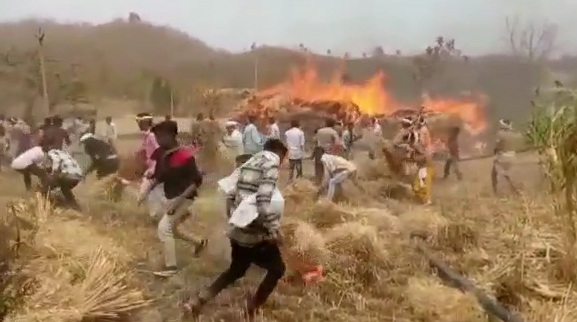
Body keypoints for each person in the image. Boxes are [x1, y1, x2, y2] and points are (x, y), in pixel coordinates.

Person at [184, 139, 288, 320]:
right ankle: (253, 307)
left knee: (236, 270)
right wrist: (273, 230)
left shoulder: (251, 162)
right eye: (284, 159)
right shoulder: (272, 161)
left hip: (238, 231)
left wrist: (235, 217)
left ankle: (198, 301)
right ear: (280, 154)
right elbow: (264, 199)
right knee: (278, 269)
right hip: (256, 234)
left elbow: (230, 192)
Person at [137, 120, 207, 277]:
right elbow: (159, 177)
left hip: (185, 198)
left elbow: (197, 182)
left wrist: (178, 201)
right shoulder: (164, 155)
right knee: (172, 229)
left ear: (170, 135)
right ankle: (199, 242)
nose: (158, 140)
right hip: (171, 198)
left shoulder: (184, 156)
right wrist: (145, 193)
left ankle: (171, 267)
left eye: (160, 136)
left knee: (164, 228)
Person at [40, 136, 84, 210]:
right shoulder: (63, 152)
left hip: (68, 175)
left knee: (46, 187)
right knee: (65, 189)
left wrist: (53, 173)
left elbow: (56, 161)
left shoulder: (52, 152)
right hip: (78, 176)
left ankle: (45, 205)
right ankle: (75, 207)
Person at [135, 112, 163, 219]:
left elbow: (159, 151)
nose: (138, 125)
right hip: (155, 168)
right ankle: (155, 216)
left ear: (145, 123)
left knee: (142, 194)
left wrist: (154, 168)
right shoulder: (149, 135)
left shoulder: (151, 135)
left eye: (139, 122)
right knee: (154, 194)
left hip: (155, 169)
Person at [492, 119, 520, 195]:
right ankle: (515, 190)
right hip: (512, 157)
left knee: (494, 174)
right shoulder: (513, 134)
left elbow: (496, 145)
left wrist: (494, 152)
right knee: (508, 175)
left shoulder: (500, 134)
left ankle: (496, 192)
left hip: (502, 157)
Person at [313, 119, 342, 184]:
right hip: (329, 151)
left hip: (319, 150)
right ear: (333, 125)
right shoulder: (333, 132)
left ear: (326, 123)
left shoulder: (320, 131)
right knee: (328, 168)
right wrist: (334, 152)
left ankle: (318, 181)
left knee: (318, 166)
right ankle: (327, 184)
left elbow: (315, 140)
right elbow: (338, 143)